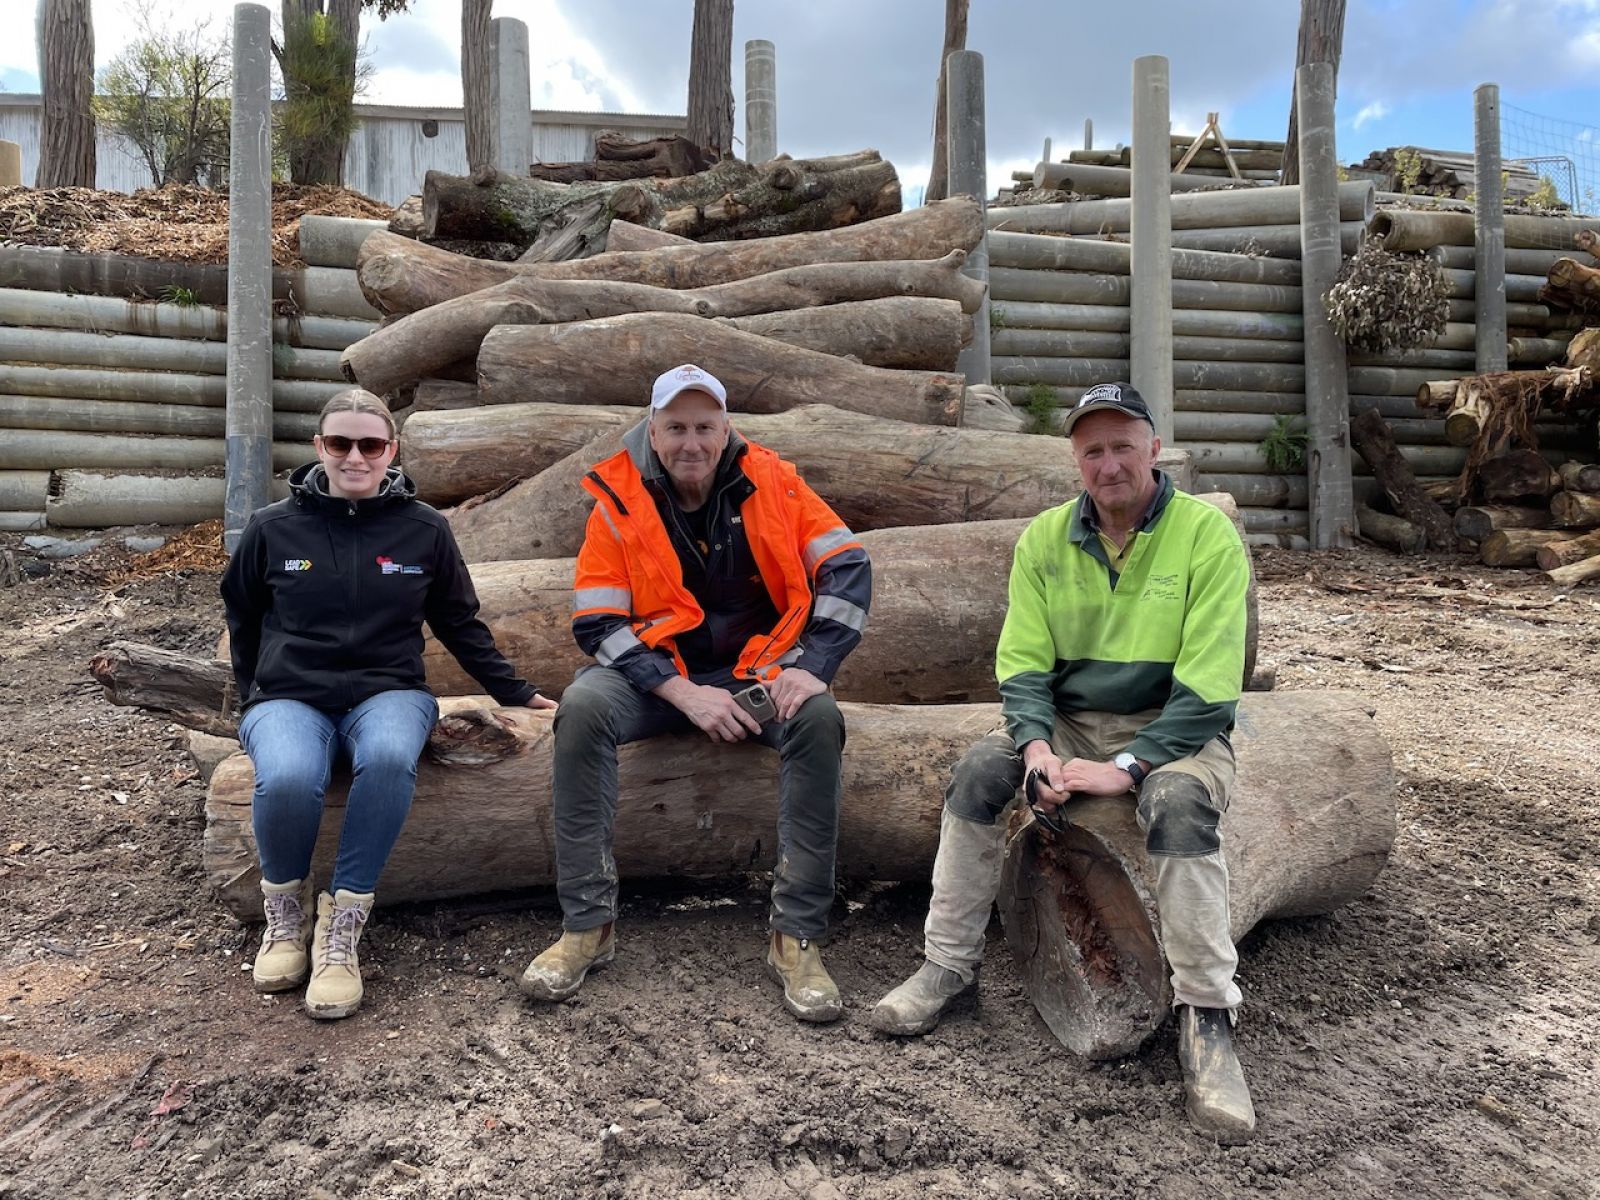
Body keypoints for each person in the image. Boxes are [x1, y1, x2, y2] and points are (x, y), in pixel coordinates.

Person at [869, 381, 1257, 1142]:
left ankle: (1207, 1016)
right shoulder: (1045, 539)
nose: (1109, 464)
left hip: (1173, 726)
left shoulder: (1207, 536)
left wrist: (1132, 767)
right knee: (981, 772)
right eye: (1092, 450)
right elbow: (1022, 666)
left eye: (1122, 446)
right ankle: (947, 966)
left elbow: (1212, 687)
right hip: (1072, 722)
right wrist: (1038, 745)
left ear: (1153, 448)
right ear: (1076, 460)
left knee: (1179, 807)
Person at [519, 364, 872, 1022]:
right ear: (653, 430)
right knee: (584, 707)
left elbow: (847, 564)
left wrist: (815, 664)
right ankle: (586, 927)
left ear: (725, 429)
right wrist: (683, 694)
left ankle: (795, 936)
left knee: (819, 719)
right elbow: (598, 623)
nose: (691, 442)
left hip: (759, 673)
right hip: (657, 679)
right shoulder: (618, 497)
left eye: (704, 427)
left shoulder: (774, 480)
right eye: (676, 427)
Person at [221, 388, 555, 1020]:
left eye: (370, 445)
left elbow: (460, 622)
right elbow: (243, 615)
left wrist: (514, 692)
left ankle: (342, 926)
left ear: (391, 451)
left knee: (388, 755)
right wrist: (252, 697)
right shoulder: (272, 528)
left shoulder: (424, 528)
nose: (355, 457)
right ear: (319, 448)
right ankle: (286, 916)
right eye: (340, 443)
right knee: (289, 775)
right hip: (291, 695)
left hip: (390, 692)